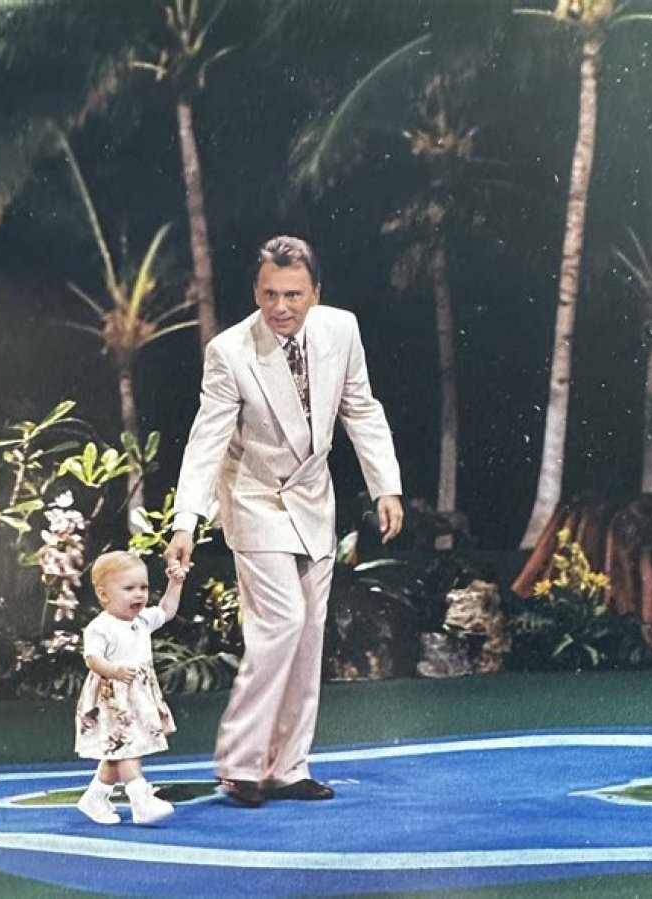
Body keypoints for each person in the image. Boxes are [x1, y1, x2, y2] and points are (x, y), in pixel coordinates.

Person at [165, 235, 403, 808]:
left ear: (315, 292)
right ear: (256, 291)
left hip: (313, 500)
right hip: (255, 498)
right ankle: (240, 764)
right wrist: (186, 521)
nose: (281, 307)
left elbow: (361, 408)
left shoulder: (341, 329)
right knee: (282, 622)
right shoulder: (229, 351)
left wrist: (386, 487)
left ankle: (287, 767)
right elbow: (206, 440)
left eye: (293, 295)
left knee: (309, 632)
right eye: (270, 294)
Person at [75, 550, 186, 825]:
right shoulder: (101, 627)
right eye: (129, 588)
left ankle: (95, 796)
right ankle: (140, 799)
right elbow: (92, 659)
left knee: (119, 752)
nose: (139, 594)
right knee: (127, 747)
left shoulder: (142, 621)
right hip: (113, 698)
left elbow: (166, 610)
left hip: (138, 694)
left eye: (143, 588)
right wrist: (114, 671)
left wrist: (175, 583)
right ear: (104, 595)